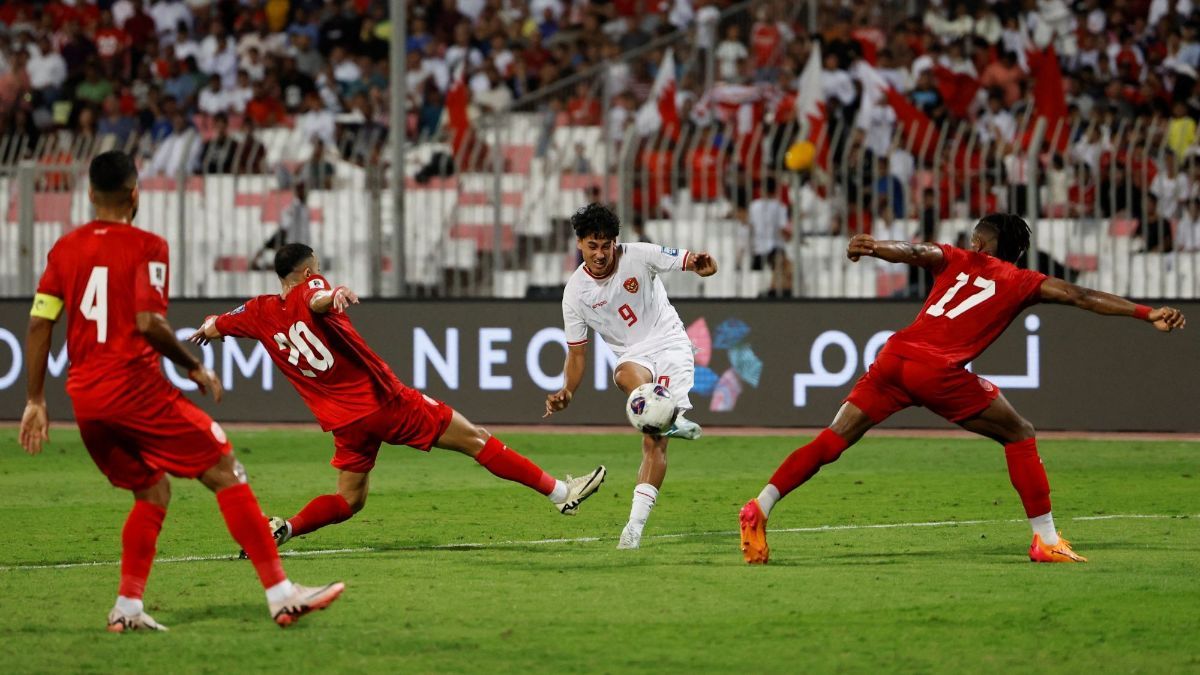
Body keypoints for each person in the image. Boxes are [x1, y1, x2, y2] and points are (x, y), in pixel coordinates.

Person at [739, 213, 1187, 565]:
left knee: (832, 439)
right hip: (937, 370)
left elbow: (915, 251)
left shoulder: (954, 257)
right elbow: (1080, 296)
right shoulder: (1023, 281)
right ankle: (1046, 540)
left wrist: (875, 247)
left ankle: (760, 505)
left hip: (894, 357)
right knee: (1020, 433)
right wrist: (1145, 313)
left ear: (978, 243)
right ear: (1018, 252)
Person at [19, 151, 344, 630]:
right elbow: (149, 323)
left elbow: (39, 323)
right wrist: (193, 367)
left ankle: (127, 608)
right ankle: (282, 595)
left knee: (152, 489)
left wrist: (35, 400)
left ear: (90, 195)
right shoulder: (149, 245)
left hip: (85, 399)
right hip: (135, 390)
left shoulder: (64, 249)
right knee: (227, 470)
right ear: (135, 194)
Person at [190, 244, 607, 552]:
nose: (320, 275)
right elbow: (316, 298)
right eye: (317, 270)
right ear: (305, 271)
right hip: (384, 402)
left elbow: (216, 325)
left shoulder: (259, 312)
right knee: (476, 439)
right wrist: (330, 296)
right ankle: (559, 493)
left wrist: (205, 330)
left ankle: (285, 528)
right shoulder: (310, 288)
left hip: (343, 423)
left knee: (350, 500)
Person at [544, 203, 719, 549]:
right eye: (592, 246)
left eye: (606, 245)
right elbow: (578, 354)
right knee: (622, 374)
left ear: (615, 242)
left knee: (653, 441)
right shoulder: (575, 293)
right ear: (579, 244)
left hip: (670, 346)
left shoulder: (639, 256)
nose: (599, 254)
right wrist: (568, 390)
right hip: (635, 357)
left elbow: (688, 260)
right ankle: (668, 417)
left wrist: (702, 266)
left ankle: (633, 530)